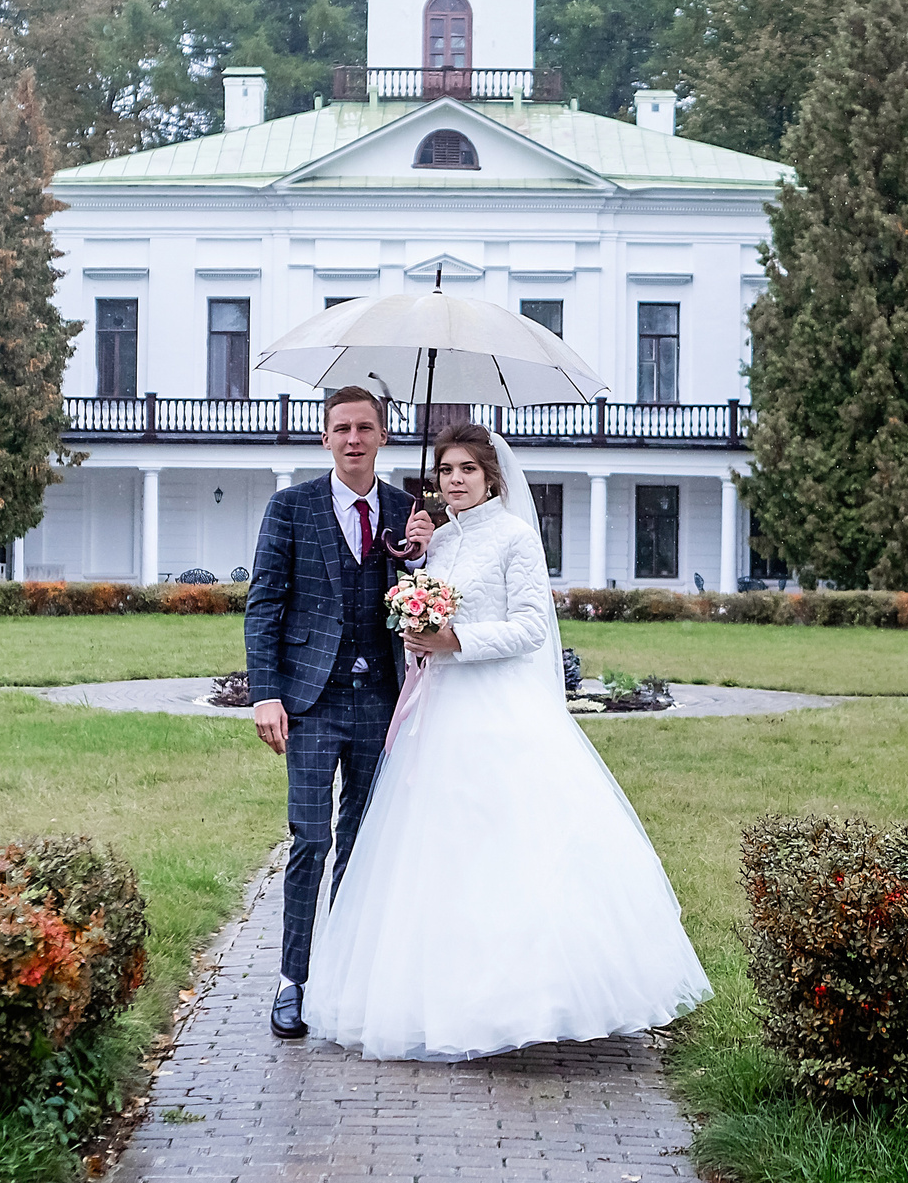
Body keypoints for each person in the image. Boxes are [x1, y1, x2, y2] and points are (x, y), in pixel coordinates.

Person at [304, 422, 711, 1059]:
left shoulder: (516, 538)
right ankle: (441, 999)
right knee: (436, 852)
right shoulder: (436, 541)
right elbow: (421, 611)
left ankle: (529, 1002)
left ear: (491, 477)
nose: (455, 480)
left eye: (467, 469)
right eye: (446, 470)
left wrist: (454, 641)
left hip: (498, 710)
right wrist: (416, 609)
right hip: (438, 713)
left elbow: (528, 628)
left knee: (506, 845)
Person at [244, 385, 435, 1041]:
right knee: (311, 838)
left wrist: (422, 555)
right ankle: (292, 979)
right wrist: (265, 692)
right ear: (325, 438)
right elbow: (264, 603)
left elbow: (428, 600)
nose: (354, 439)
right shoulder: (290, 507)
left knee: (361, 839)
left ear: (383, 435)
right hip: (311, 700)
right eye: (342, 428)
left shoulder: (407, 511)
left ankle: (343, 977)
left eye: (365, 427)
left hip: (383, 698)